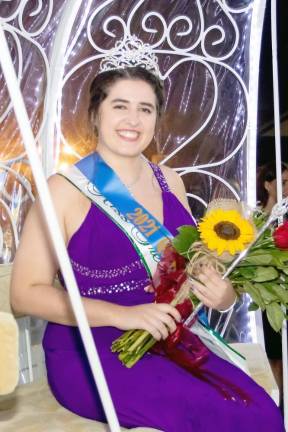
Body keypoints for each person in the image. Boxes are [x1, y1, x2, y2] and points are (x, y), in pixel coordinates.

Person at [11, 36, 284, 431]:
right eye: (119, 106)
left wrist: (222, 295)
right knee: (225, 418)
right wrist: (124, 315)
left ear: (158, 119)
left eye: (146, 109)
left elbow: (190, 273)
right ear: (95, 113)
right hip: (89, 347)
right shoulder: (64, 190)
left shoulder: (170, 182)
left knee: (260, 413)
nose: (133, 120)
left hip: (164, 336)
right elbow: (24, 292)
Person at [257, 161, 288, 404]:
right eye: (284, 182)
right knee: (272, 354)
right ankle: (275, 404)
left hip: (283, 291)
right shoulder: (257, 217)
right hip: (264, 294)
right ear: (268, 185)